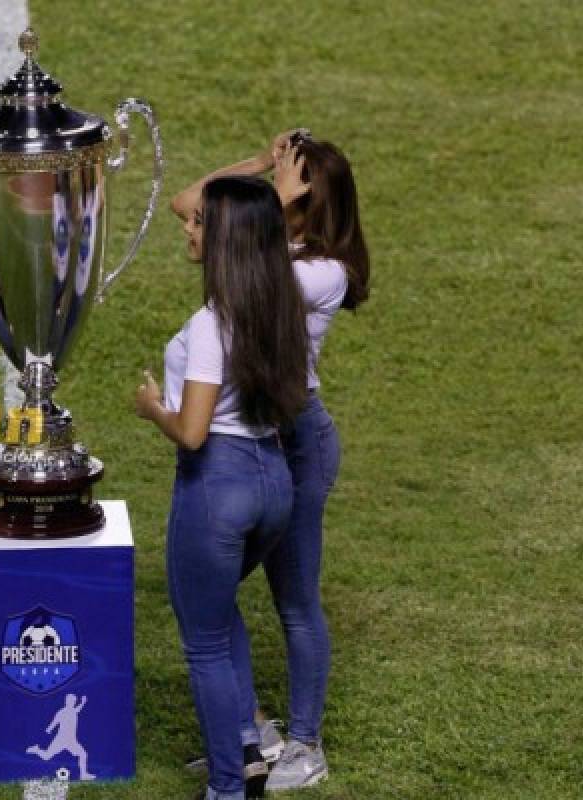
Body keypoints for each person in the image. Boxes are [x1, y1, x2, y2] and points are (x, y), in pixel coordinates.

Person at [172, 131, 371, 790]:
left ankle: (305, 747)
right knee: (212, 594)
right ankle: (250, 736)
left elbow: (239, 259)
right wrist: (256, 168)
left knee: (294, 600)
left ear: (311, 196)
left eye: (291, 176)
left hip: (296, 443)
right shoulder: (269, 245)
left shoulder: (322, 273)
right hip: (256, 442)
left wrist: (270, 199)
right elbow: (188, 202)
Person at [136, 176, 310, 800]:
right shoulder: (281, 304)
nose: (187, 228)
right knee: (217, 612)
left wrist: (151, 407)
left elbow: (192, 432)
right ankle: (247, 741)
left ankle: (229, 786)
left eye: (201, 223)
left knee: (204, 642)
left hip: (218, 485)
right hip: (273, 481)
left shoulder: (213, 324)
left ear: (228, 239)